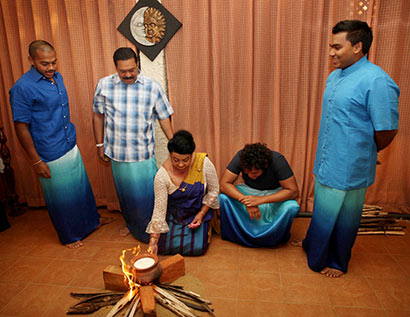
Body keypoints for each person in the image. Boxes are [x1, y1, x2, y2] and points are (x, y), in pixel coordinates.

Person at [299, 20, 399, 278]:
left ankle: (337, 261)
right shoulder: (335, 76)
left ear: (358, 46)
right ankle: (313, 246)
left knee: (345, 218)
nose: (331, 52)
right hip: (326, 160)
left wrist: (365, 152)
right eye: (330, 46)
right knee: (323, 208)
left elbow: (387, 129)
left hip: (350, 167)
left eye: (336, 47)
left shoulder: (377, 80)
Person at [9, 40, 108, 248]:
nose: (51, 68)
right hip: (48, 150)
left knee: (80, 189)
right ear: (31, 61)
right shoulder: (22, 88)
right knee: (61, 198)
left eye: (54, 62)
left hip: (69, 142)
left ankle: (91, 223)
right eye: (45, 64)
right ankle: (70, 235)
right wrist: (36, 161)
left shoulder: (57, 78)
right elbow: (21, 127)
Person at [93, 47, 174, 243]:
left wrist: (174, 145)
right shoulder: (104, 85)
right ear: (116, 68)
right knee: (126, 196)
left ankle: (151, 230)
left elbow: (164, 118)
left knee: (147, 197)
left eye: (132, 70)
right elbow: (97, 115)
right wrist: (99, 144)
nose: (128, 74)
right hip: (117, 153)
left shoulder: (152, 87)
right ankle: (132, 225)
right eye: (123, 71)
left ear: (137, 64)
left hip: (143, 154)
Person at [146, 130, 219, 256]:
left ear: (192, 155)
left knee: (197, 249)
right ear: (170, 155)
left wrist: (202, 213)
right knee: (164, 248)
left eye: (186, 160)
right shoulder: (162, 175)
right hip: (175, 216)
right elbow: (159, 209)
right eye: (175, 160)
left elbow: (214, 190)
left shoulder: (203, 163)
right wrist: (153, 241)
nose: (180, 165)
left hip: (197, 213)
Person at [219, 143, 300, 247]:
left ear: (265, 166)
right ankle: (237, 234)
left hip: (274, 194)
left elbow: (293, 191)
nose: (249, 175)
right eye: (246, 172)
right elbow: (224, 184)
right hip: (248, 192)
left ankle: (274, 237)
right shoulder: (240, 157)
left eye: (254, 173)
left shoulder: (277, 160)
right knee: (223, 198)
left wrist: (261, 200)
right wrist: (246, 201)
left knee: (292, 207)